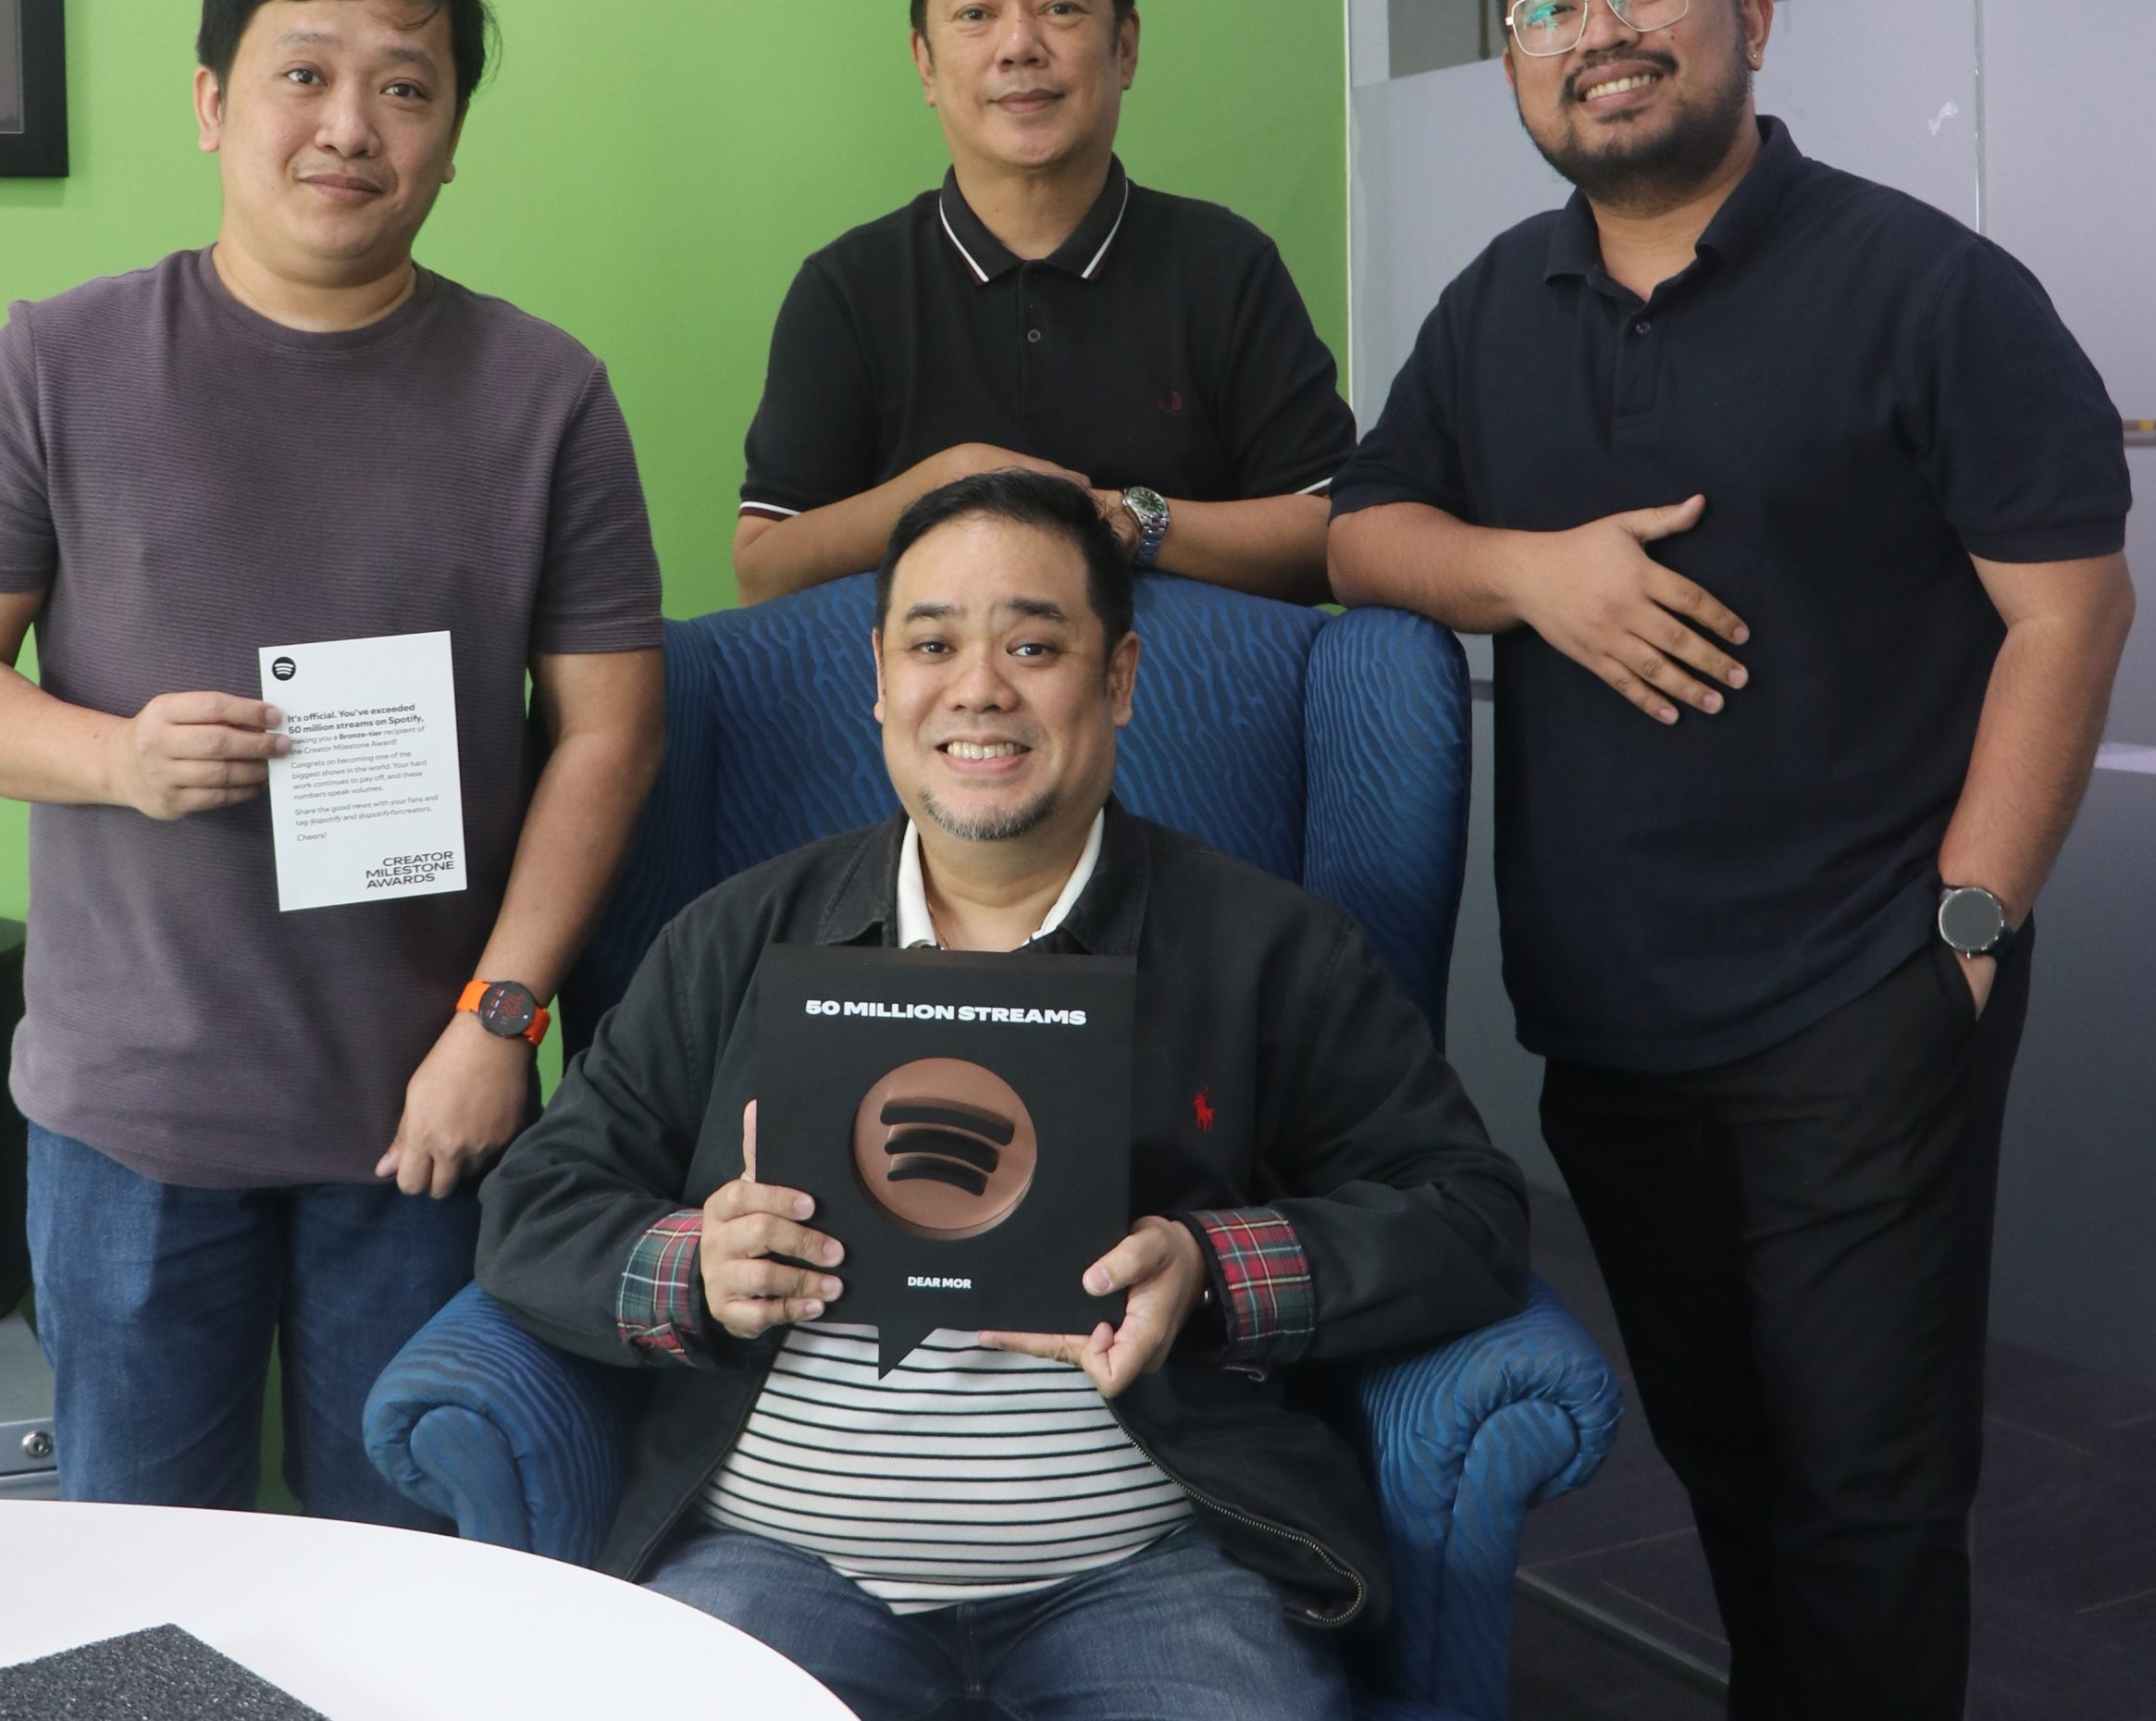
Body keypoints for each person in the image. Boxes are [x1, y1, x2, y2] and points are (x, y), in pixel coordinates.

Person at [1327, 0, 2135, 1720]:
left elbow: (2070, 614)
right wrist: (1529, 572)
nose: (1596, 32)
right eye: (1545, 7)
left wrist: (1964, 930)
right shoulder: (1497, 302)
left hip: (1863, 992)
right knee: (1730, 1466)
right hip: (1608, 1022)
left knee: (1866, 1496)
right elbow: (1364, 533)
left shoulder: (1924, 286)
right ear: (1513, 63)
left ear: (1749, 17)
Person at [477, 470, 1526, 1721]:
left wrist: (1212, 1271)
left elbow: (1469, 1213)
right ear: (879, 678)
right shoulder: (735, 938)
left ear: (1119, 678)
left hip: (1151, 1567)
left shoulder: (1268, 949)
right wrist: (693, 1265)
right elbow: (535, 1205)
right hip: (778, 1561)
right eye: (932, 645)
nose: (978, 688)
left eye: (1034, 645)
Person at [0, 0, 667, 1524]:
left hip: (425, 1105)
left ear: (452, 139)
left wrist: (499, 1022)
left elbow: (611, 729)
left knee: (414, 1569)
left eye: (407, 87)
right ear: (212, 102)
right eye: (305, 73)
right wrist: (118, 758)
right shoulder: (57, 365)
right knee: (144, 1577)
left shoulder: (544, 394)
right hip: (132, 1116)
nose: (351, 125)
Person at [732, 0, 1354, 609]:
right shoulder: (847, 289)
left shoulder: (1226, 268)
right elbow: (764, 569)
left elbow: (1335, 536)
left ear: (1125, 46)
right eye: (975, 14)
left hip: (1189, 683)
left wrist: (1123, 518)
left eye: (1059, 8)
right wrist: (949, 486)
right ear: (924, 62)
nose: (1019, 45)